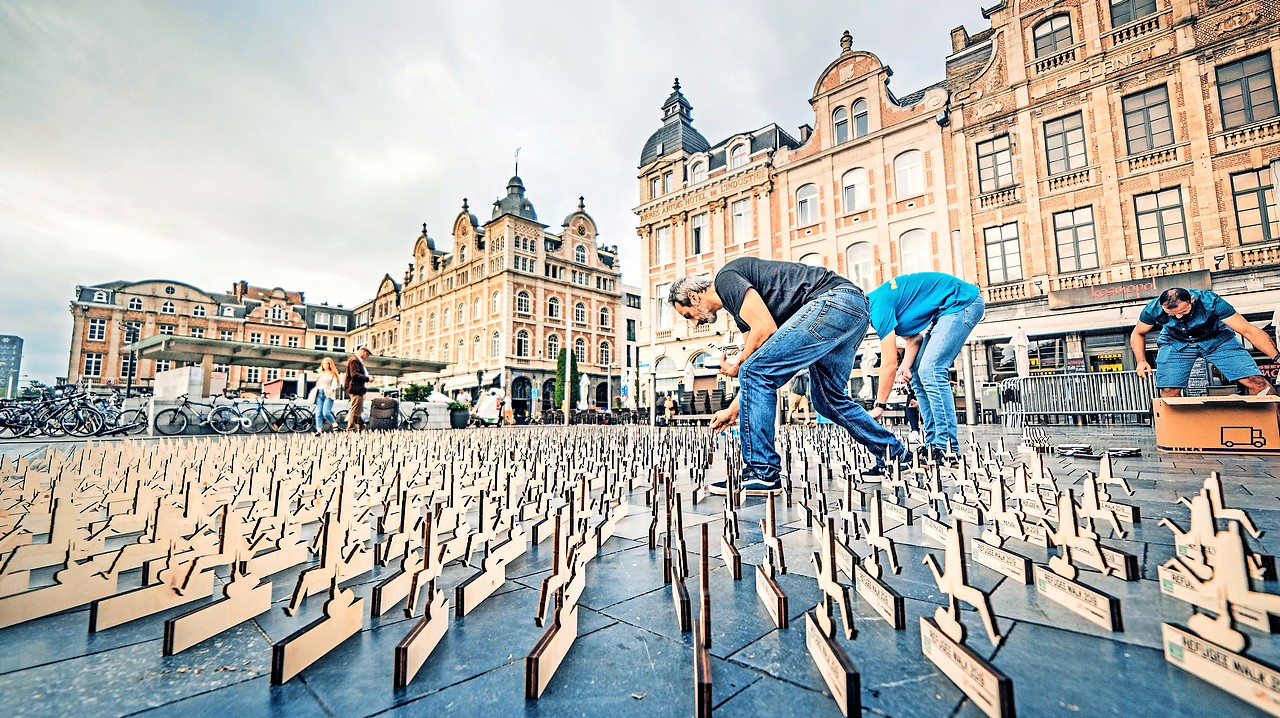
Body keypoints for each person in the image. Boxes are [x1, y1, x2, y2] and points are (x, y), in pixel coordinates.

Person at [668, 257, 908, 494]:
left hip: (833, 302)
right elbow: (758, 370)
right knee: (828, 400)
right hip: (854, 309)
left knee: (754, 370)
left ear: (694, 297)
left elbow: (763, 334)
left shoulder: (725, 279)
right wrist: (733, 409)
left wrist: (739, 364)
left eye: (688, 315)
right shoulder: (740, 313)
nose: (694, 323)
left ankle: (762, 473)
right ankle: (894, 454)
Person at [868, 272, 984, 464]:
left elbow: (888, 363)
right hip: (944, 312)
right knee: (917, 373)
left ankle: (947, 448)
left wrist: (879, 406)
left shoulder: (876, 308)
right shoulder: (877, 308)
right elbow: (914, 339)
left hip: (961, 303)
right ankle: (933, 444)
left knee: (931, 370)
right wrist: (906, 366)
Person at [1131, 287, 1279, 397]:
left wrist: (1276, 357)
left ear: (1192, 300)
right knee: (1169, 391)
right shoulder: (1152, 309)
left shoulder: (1211, 302)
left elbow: (1248, 330)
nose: (1177, 318)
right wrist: (1141, 360)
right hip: (1175, 343)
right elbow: (1138, 333)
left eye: (1183, 312)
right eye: (1172, 315)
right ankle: (1177, 436)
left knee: (1255, 381)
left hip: (1217, 340)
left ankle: (1273, 428)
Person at [309, 357, 341, 435]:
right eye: (324, 363)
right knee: (318, 413)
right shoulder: (321, 374)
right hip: (319, 394)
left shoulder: (333, 374)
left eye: (327, 364)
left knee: (326, 412)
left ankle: (334, 424)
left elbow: (334, 384)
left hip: (328, 395)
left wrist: (331, 390)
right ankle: (319, 430)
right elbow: (318, 384)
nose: (326, 365)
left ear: (330, 365)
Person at [344, 345, 373, 431]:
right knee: (355, 409)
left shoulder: (355, 360)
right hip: (355, 388)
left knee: (359, 410)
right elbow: (355, 375)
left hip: (357, 389)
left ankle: (361, 426)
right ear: (364, 353)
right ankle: (351, 429)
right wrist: (368, 378)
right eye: (367, 355)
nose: (367, 357)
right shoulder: (355, 360)